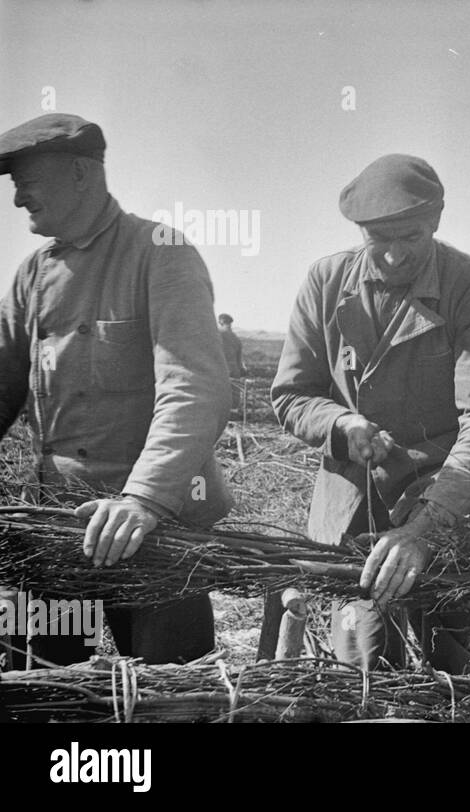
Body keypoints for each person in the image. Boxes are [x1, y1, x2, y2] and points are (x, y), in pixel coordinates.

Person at [270, 154, 470, 673]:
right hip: (353, 502)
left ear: (435, 221)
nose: (390, 256)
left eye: (408, 237)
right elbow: (292, 395)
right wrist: (340, 424)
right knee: (362, 653)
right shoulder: (326, 281)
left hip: (446, 494)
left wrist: (428, 527)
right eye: (376, 240)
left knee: (447, 655)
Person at [0, 113, 232, 666]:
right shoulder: (33, 273)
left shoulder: (160, 250)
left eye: (26, 181)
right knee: (51, 687)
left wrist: (144, 500)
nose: (16, 200)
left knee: (166, 691)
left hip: (155, 532)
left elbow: (194, 386)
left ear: (81, 173)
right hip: (61, 529)